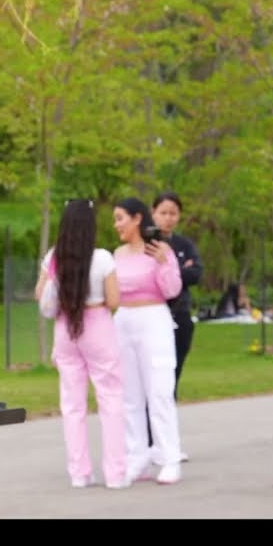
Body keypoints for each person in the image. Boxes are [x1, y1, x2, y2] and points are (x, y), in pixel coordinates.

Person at [35, 199, 125, 489]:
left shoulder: (53, 257)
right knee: (110, 399)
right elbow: (113, 301)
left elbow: (40, 295)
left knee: (72, 405)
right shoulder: (102, 258)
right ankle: (115, 474)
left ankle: (79, 473)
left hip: (65, 329)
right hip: (97, 325)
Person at [112, 197, 184, 485]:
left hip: (154, 319)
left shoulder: (161, 250)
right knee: (129, 396)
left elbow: (172, 289)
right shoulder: (117, 254)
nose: (116, 224)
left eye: (120, 218)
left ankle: (169, 457)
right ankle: (137, 457)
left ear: (137, 219)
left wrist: (164, 263)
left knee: (159, 392)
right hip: (123, 322)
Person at [149, 190, 202, 462]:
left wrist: (172, 269)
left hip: (180, 317)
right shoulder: (145, 244)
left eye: (173, 213)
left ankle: (166, 441)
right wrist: (177, 269)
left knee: (171, 380)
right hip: (152, 317)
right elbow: (148, 277)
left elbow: (195, 274)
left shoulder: (184, 244)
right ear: (153, 212)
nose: (168, 219)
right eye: (163, 213)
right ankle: (147, 442)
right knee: (151, 383)